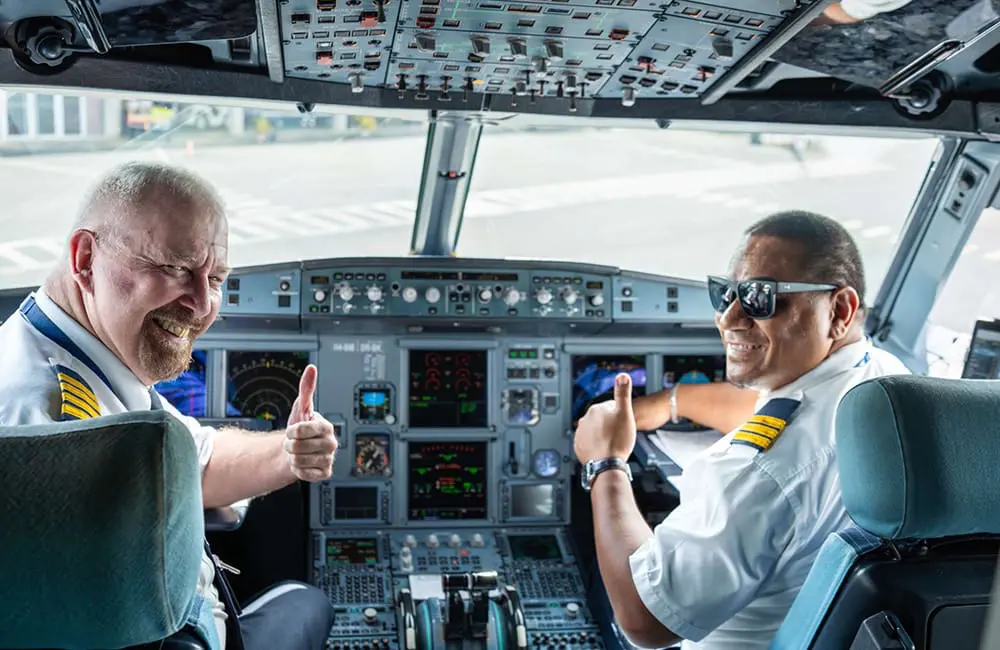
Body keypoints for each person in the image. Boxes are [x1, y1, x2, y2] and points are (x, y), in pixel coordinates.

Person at [0, 161, 337, 650]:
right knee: (308, 602)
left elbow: (194, 463)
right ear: (85, 258)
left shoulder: (89, 357)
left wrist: (289, 453)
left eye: (215, 278)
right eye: (175, 268)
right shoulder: (49, 424)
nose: (202, 303)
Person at [573, 210, 911, 649]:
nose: (729, 318)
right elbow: (782, 410)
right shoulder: (885, 379)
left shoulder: (759, 472)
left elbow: (645, 619)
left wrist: (606, 463)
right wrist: (667, 402)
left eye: (760, 297)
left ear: (839, 310)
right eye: (727, 293)